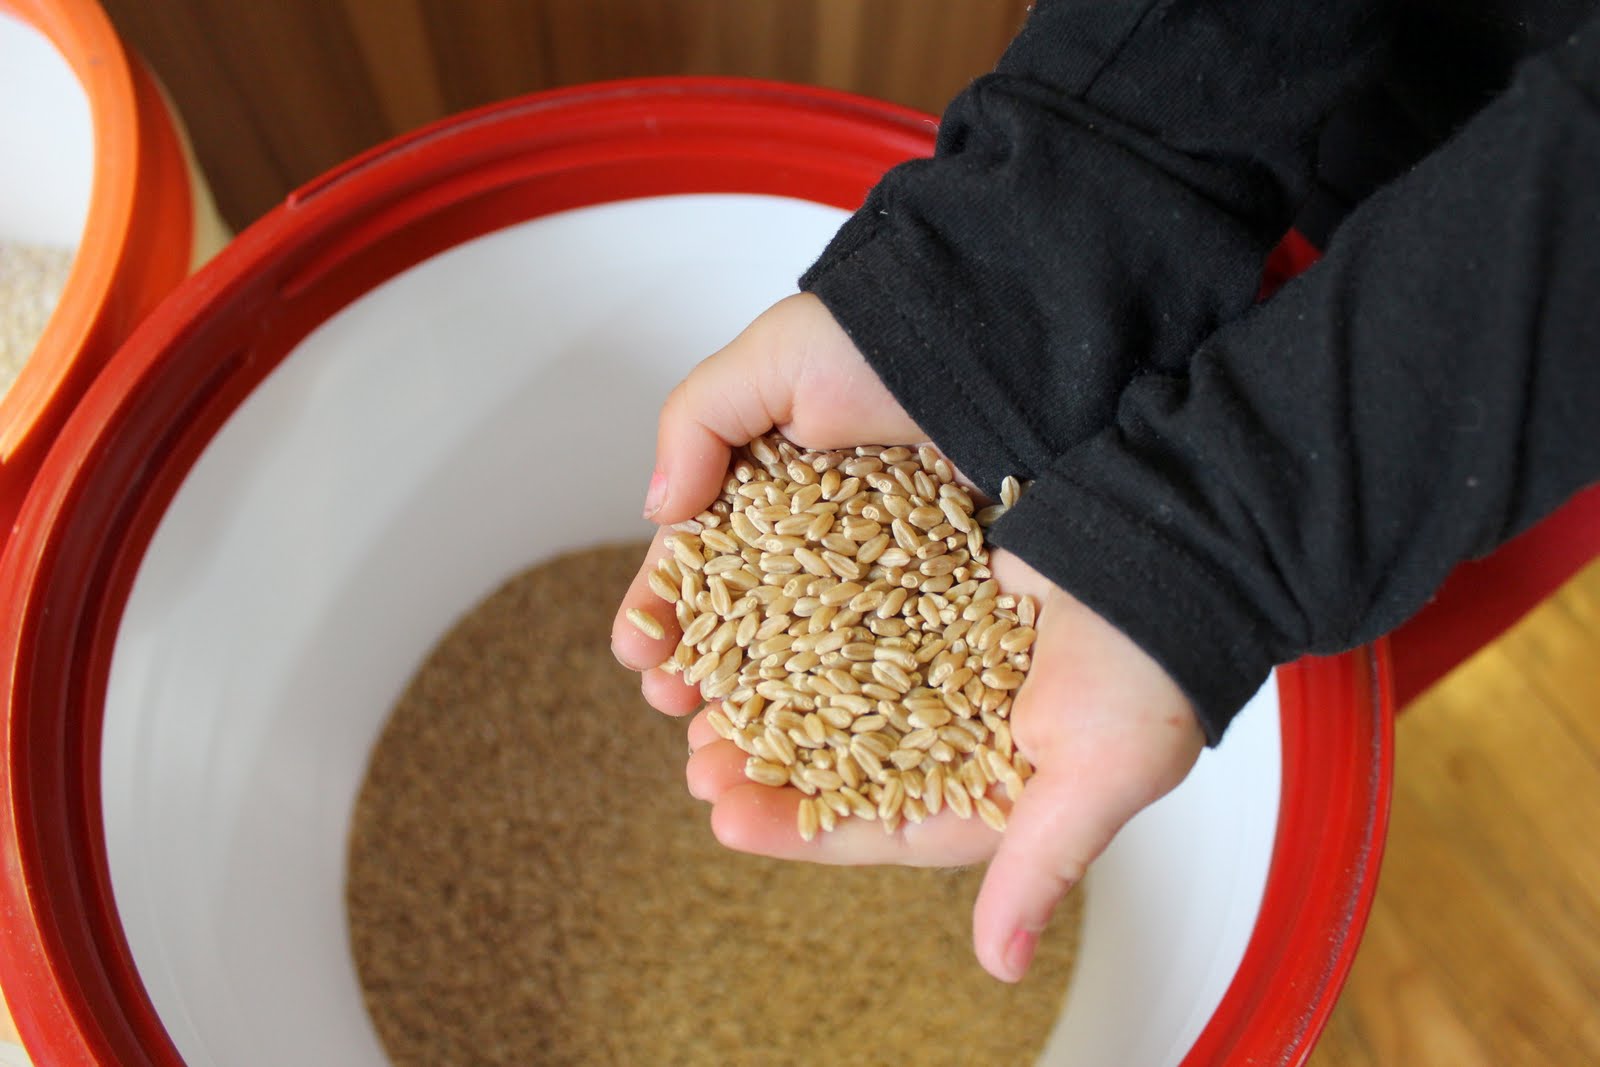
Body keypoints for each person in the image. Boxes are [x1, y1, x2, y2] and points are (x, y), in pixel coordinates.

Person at [612, 0, 1600, 983]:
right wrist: (1016, 273)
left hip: (1533, 380)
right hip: (1325, 98)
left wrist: (1231, 534)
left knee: (1392, 622)